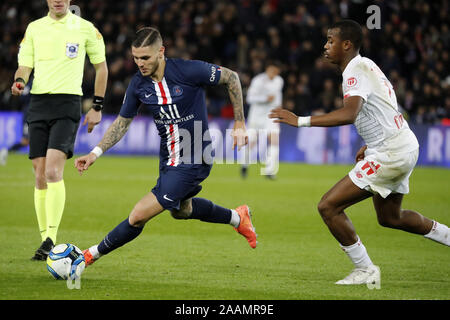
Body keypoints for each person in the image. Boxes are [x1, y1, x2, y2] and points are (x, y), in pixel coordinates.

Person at [269, 20, 449, 285]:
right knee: (391, 217)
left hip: (390, 152)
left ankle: (365, 269)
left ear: (347, 45)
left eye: (331, 41)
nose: (326, 45)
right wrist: (373, 141)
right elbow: (384, 106)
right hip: (400, 144)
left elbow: (349, 113)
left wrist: (301, 121)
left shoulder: (356, 69)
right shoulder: (367, 65)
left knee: (328, 206)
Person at [74, 27, 257, 268]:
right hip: (168, 157)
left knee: (138, 216)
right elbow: (122, 122)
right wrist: (95, 153)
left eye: (146, 57)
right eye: (136, 57)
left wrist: (239, 122)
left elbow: (231, 77)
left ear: (161, 52)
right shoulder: (138, 84)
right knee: (181, 210)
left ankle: (87, 257)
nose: (140, 63)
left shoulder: (189, 70)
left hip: (194, 155)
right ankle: (237, 217)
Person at [11, 0, 108, 260]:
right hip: (39, 103)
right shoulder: (34, 28)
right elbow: (25, 65)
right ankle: (45, 239)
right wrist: (20, 80)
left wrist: (96, 106)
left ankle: (51, 238)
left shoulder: (85, 28)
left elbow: (102, 67)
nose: (57, 0)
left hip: (67, 102)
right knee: (39, 173)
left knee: (53, 170)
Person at [241, 62, 284, 179]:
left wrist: (279, 108)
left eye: (276, 72)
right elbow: (249, 98)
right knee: (252, 142)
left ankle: (270, 171)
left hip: (271, 115)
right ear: (267, 69)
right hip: (256, 115)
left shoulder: (279, 81)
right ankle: (244, 165)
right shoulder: (258, 80)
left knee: (274, 140)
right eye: (272, 71)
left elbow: (278, 96)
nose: (274, 74)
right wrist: (265, 98)